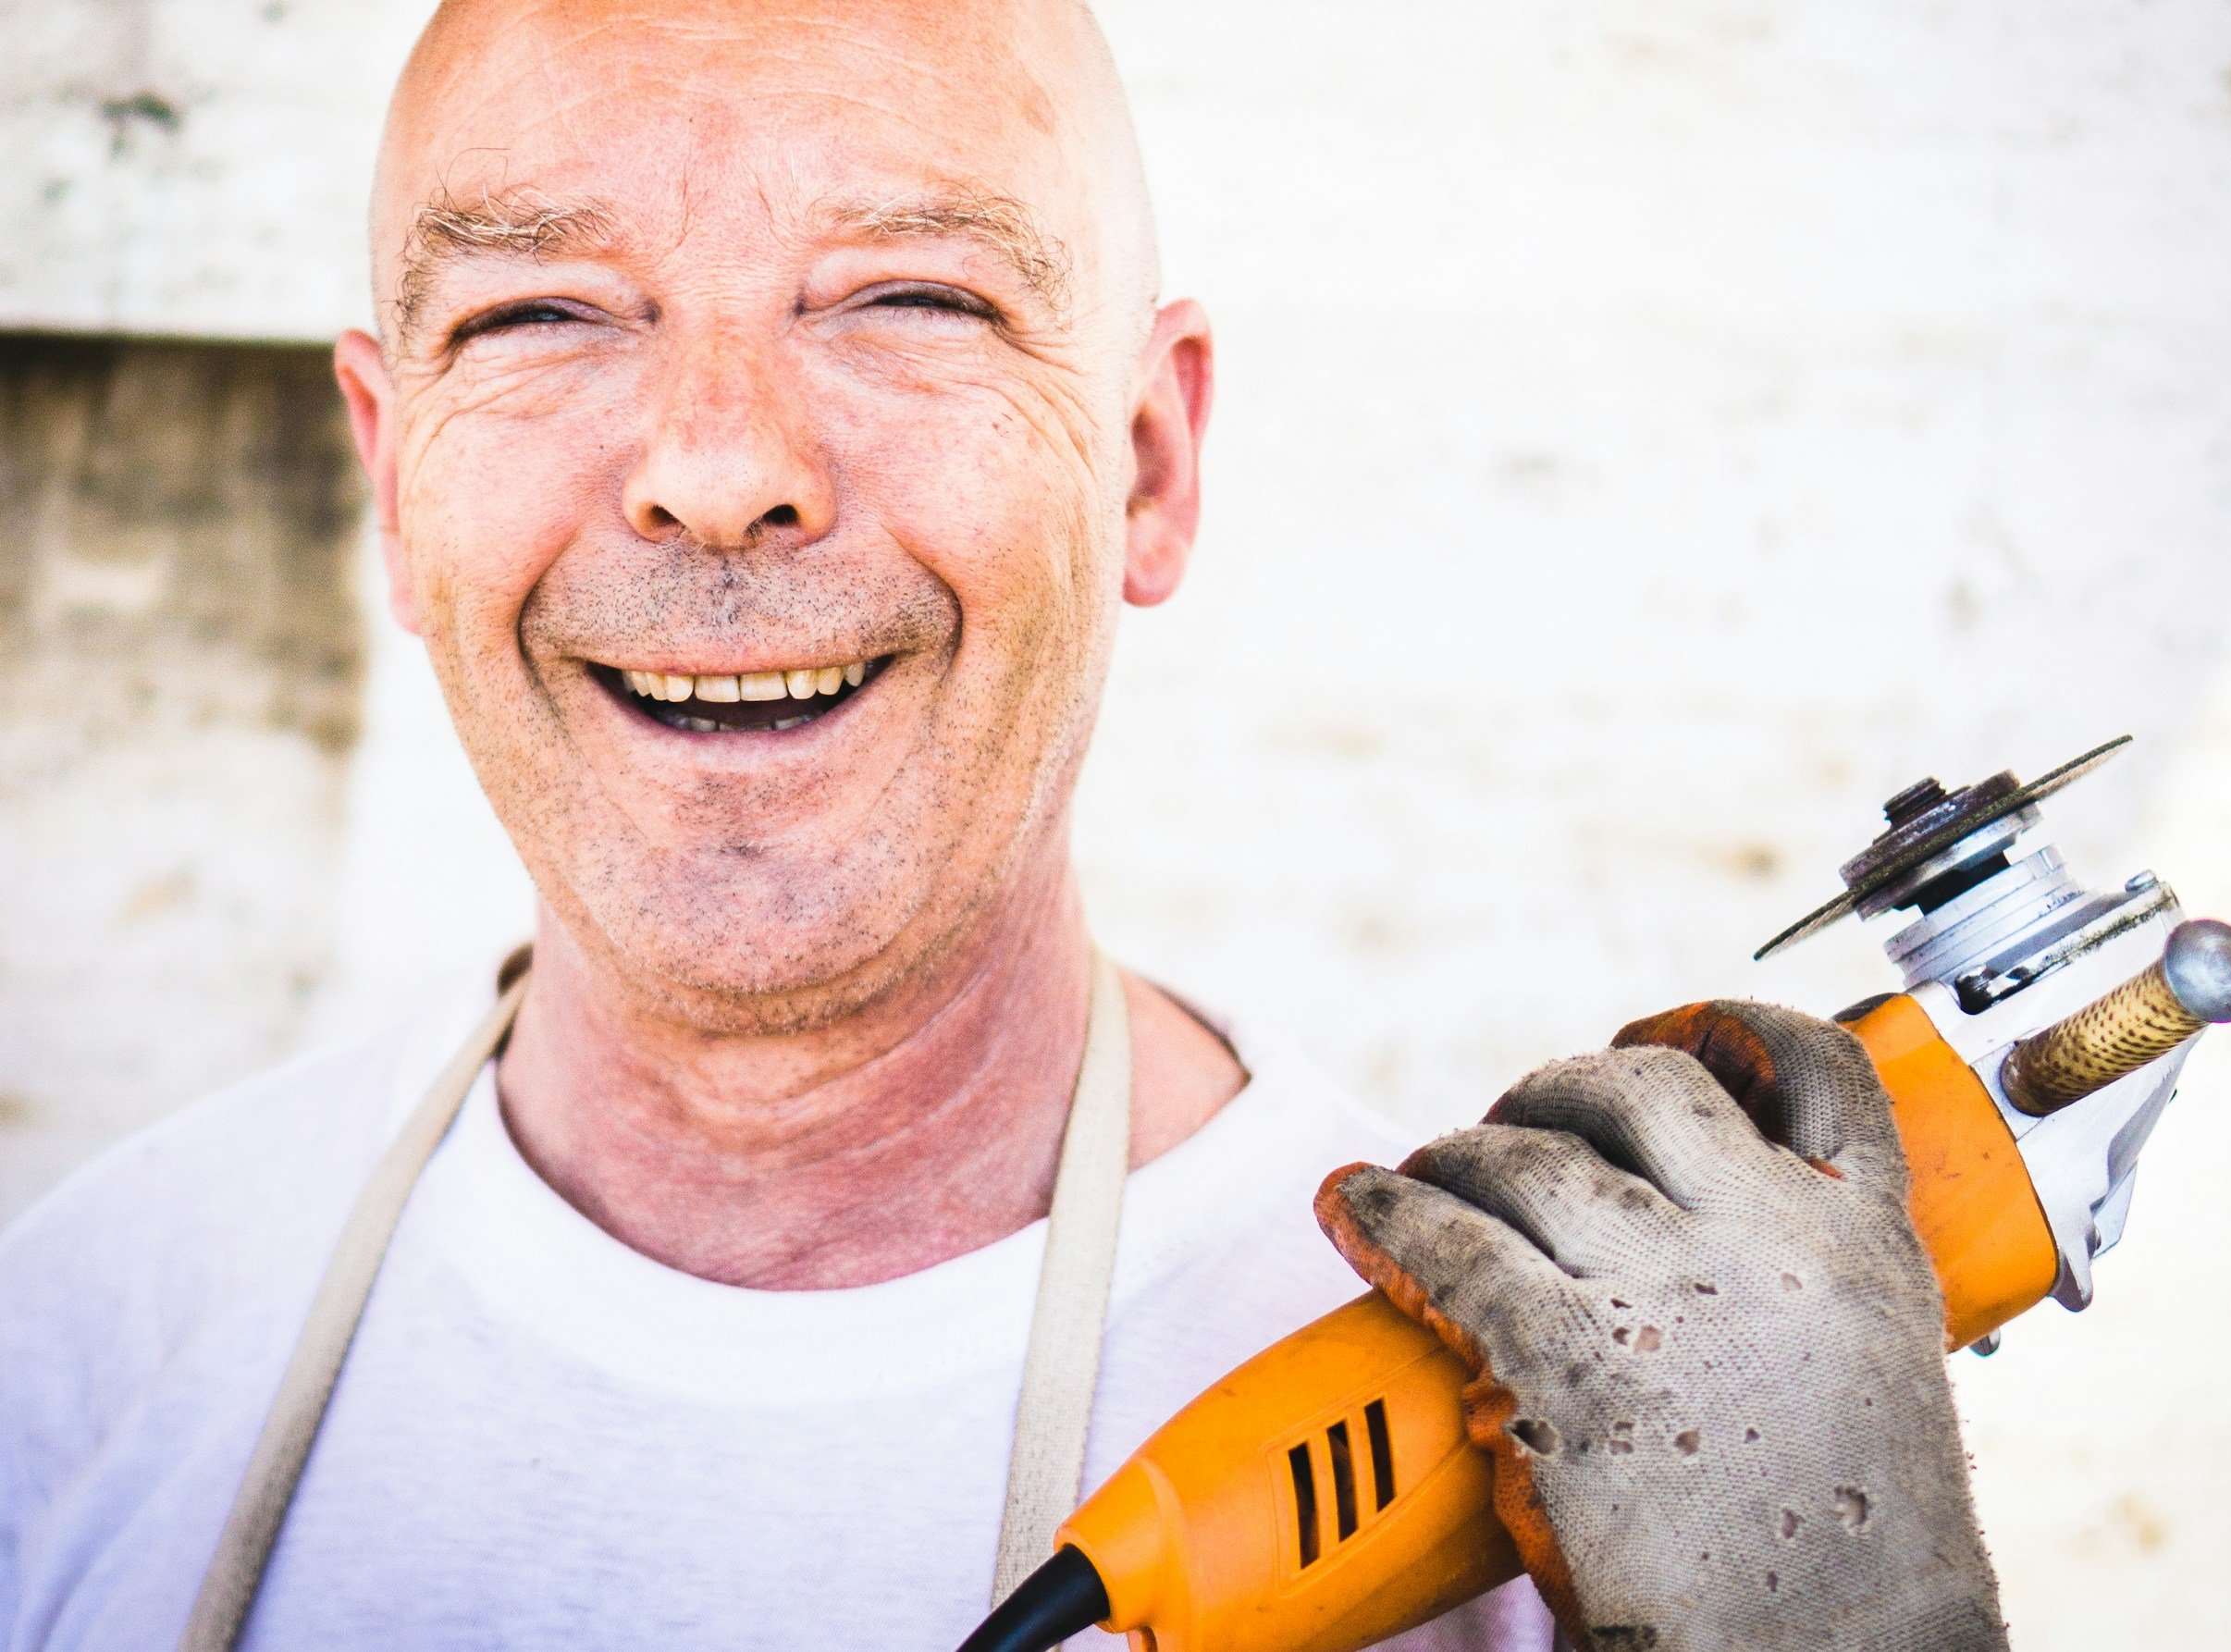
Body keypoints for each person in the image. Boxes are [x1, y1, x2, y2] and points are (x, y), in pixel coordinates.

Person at [0, 2, 2005, 1648]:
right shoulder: (80, 1344)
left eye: (907, 296)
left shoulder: (1533, 1469)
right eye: (538, 316)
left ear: (1144, 460)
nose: (716, 467)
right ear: (392, 481)